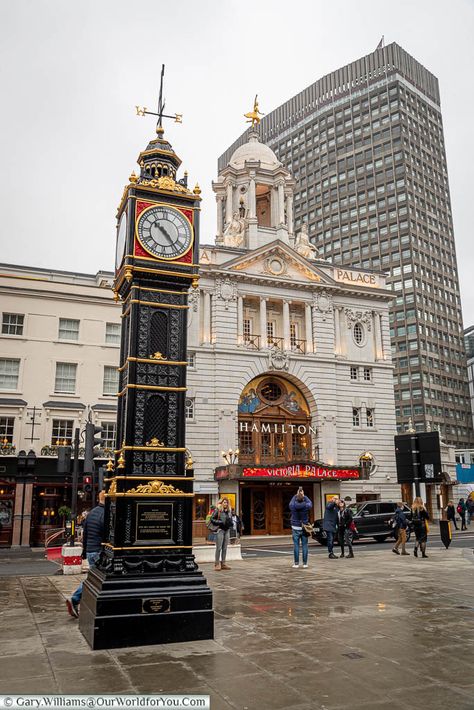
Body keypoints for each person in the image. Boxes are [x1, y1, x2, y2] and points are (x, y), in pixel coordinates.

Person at [66, 490, 105, 618]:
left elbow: (85, 534)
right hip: (98, 551)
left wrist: (84, 551)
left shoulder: (91, 513)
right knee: (96, 579)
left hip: (90, 550)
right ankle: (75, 598)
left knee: (95, 578)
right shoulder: (105, 514)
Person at [289, 487, 312, 568]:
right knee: (305, 545)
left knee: (296, 546)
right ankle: (305, 564)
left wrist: (297, 494)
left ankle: (296, 563)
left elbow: (291, 502)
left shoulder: (293, 505)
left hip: (295, 527)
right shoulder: (306, 505)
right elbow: (310, 503)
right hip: (304, 527)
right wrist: (304, 496)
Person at [211, 498, 233, 571]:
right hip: (220, 530)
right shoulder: (218, 510)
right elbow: (212, 519)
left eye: (226, 502)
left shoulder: (229, 511)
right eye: (224, 502)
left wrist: (231, 523)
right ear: (221, 503)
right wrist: (220, 522)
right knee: (219, 548)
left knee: (225, 548)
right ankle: (217, 564)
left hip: (227, 530)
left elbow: (230, 519)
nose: (225, 504)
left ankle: (223, 563)